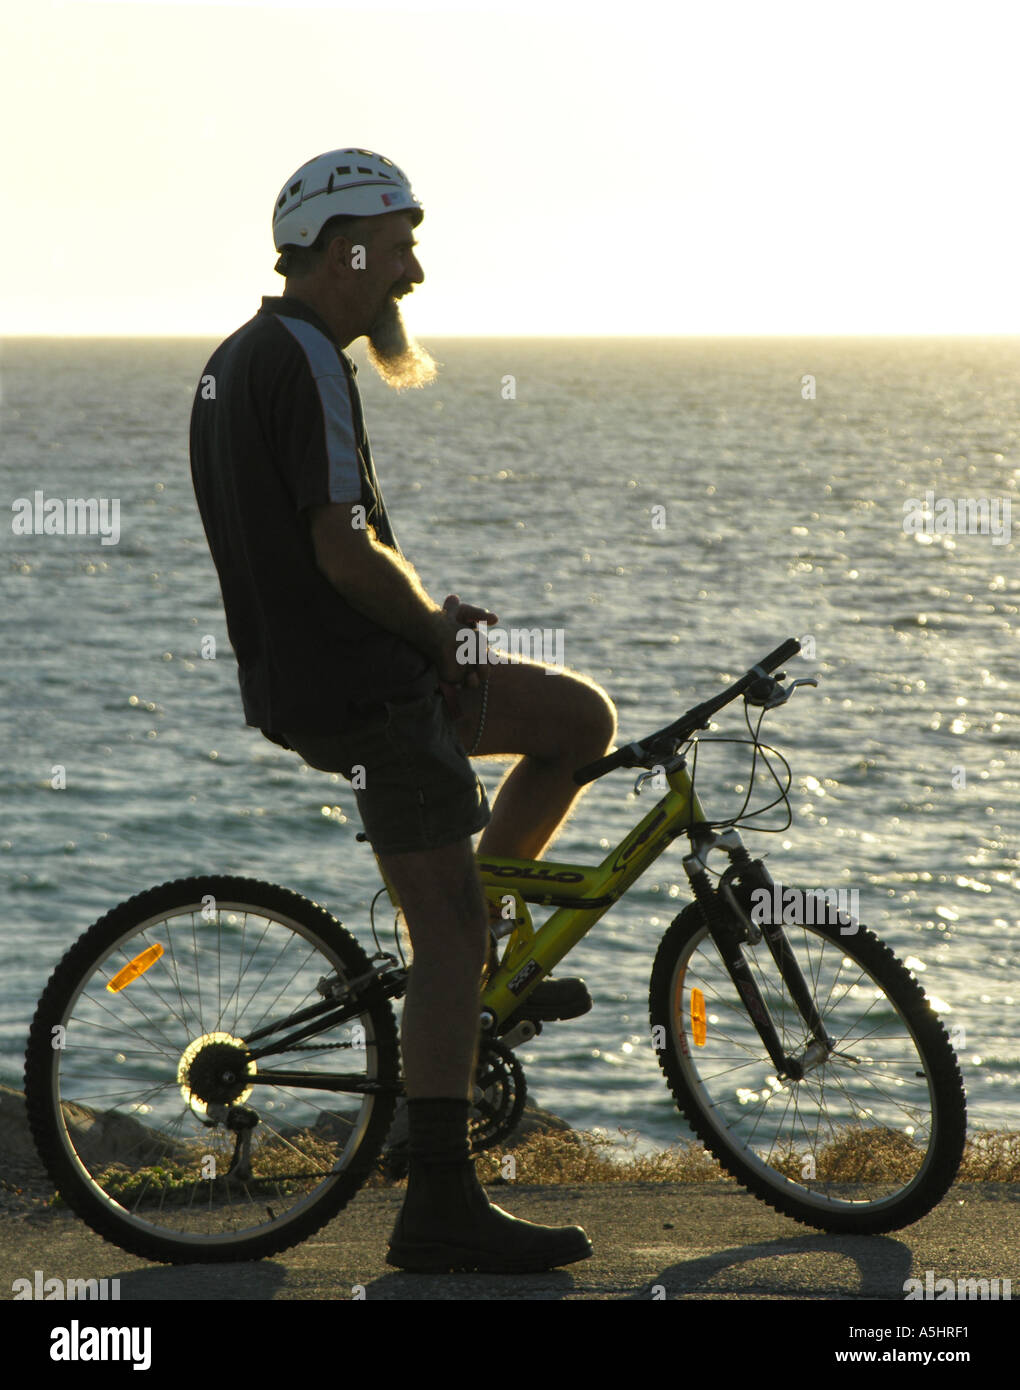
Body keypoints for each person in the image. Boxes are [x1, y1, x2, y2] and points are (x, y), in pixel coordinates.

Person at [189, 148, 617, 1273]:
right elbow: (338, 548)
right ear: (346, 252)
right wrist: (431, 634)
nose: (413, 272)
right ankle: (440, 1201)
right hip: (368, 695)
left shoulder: (238, 361)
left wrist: (426, 616)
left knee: (577, 720)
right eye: (399, 247)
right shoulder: (311, 361)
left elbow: (327, 548)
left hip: (323, 678)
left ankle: (475, 969)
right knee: (448, 933)